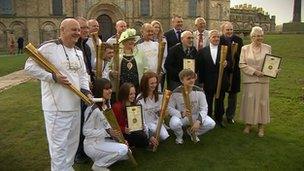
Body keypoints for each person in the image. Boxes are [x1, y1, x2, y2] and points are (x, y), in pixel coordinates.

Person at [24, 18, 91, 171]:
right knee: (59, 147)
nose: (77, 33)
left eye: (79, 30)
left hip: (75, 105)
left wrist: (86, 90)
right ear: (62, 30)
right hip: (56, 108)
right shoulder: (49, 48)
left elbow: (82, 75)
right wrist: (52, 77)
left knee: (72, 145)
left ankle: (67, 168)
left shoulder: (78, 51)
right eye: (74, 29)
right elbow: (29, 67)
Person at [83, 78, 128, 171]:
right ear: (100, 90)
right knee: (123, 149)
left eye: (110, 88)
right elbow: (86, 131)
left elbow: (108, 126)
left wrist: (118, 139)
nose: (110, 91)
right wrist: (108, 132)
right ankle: (99, 165)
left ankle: (100, 158)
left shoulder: (106, 105)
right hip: (92, 145)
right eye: (107, 89)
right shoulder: (93, 109)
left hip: (103, 141)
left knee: (127, 153)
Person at [239, 26, 276, 137]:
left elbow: (271, 63)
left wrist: (275, 70)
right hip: (250, 80)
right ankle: (248, 124)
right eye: (257, 36)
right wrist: (255, 72)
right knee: (250, 102)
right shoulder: (245, 48)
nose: (259, 38)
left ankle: (261, 127)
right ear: (252, 37)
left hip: (263, 80)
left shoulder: (267, 47)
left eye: (261, 36)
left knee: (262, 102)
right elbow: (241, 64)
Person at [168, 69, 215, 144]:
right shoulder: (176, 92)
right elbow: (170, 108)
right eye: (188, 79)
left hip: (195, 116)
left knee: (211, 123)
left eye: (193, 78)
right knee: (174, 124)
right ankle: (179, 136)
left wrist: (198, 121)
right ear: (182, 80)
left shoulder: (199, 91)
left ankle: (192, 132)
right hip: (182, 117)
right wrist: (181, 113)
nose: (192, 80)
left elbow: (204, 108)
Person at [197, 30, 231, 128]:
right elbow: (201, 68)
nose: (216, 39)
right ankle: (208, 118)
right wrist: (202, 81)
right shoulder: (203, 51)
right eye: (214, 37)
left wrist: (227, 64)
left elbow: (231, 64)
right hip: (208, 81)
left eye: (218, 37)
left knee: (220, 100)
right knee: (208, 100)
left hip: (221, 80)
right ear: (209, 38)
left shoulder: (225, 49)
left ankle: (219, 119)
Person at [112, 83, 158, 148]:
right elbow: (112, 125)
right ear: (124, 94)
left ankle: (145, 142)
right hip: (122, 134)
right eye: (131, 94)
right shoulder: (116, 107)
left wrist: (149, 135)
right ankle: (145, 143)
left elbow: (140, 122)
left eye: (134, 93)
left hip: (132, 131)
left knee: (142, 133)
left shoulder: (134, 105)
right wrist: (123, 129)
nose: (133, 96)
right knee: (140, 135)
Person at [74, 17, 93, 164]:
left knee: (86, 121)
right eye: (82, 28)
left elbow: (88, 69)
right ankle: (78, 153)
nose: (86, 30)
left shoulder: (85, 47)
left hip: (86, 90)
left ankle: (84, 150)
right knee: (77, 123)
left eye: (87, 28)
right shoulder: (73, 47)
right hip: (75, 92)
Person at [220, 21, 244, 124]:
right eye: (227, 30)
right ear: (223, 30)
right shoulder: (219, 40)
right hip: (223, 71)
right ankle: (219, 115)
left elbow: (242, 55)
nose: (229, 31)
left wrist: (235, 54)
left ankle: (230, 116)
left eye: (231, 29)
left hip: (234, 71)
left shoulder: (238, 40)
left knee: (233, 95)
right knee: (220, 94)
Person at [137, 71, 169, 143]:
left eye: (155, 83)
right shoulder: (140, 99)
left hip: (156, 122)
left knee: (164, 136)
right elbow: (140, 119)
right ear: (145, 84)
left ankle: (153, 138)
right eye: (151, 83)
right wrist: (148, 133)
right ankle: (149, 138)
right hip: (146, 124)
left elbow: (159, 112)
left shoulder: (159, 95)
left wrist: (162, 113)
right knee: (156, 135)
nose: (154, 85)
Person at [109, 28, 143, 92]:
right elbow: (108, 67)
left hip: (137, 86)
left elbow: (145, 69)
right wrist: (111, 72)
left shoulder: (140, 54)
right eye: (129, 39)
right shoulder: (116, 54)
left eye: (133, 39)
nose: (132, 41)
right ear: (124, 42)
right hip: (121, 86)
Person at [151, 20, 168, 90]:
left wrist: (161, 66)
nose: (157, 29)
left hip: (160, 65)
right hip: (151, 64)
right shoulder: (149, 39)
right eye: (155, 27)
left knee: (159, 85)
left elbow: (165, 54)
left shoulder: (163, 39)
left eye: (158, 27)